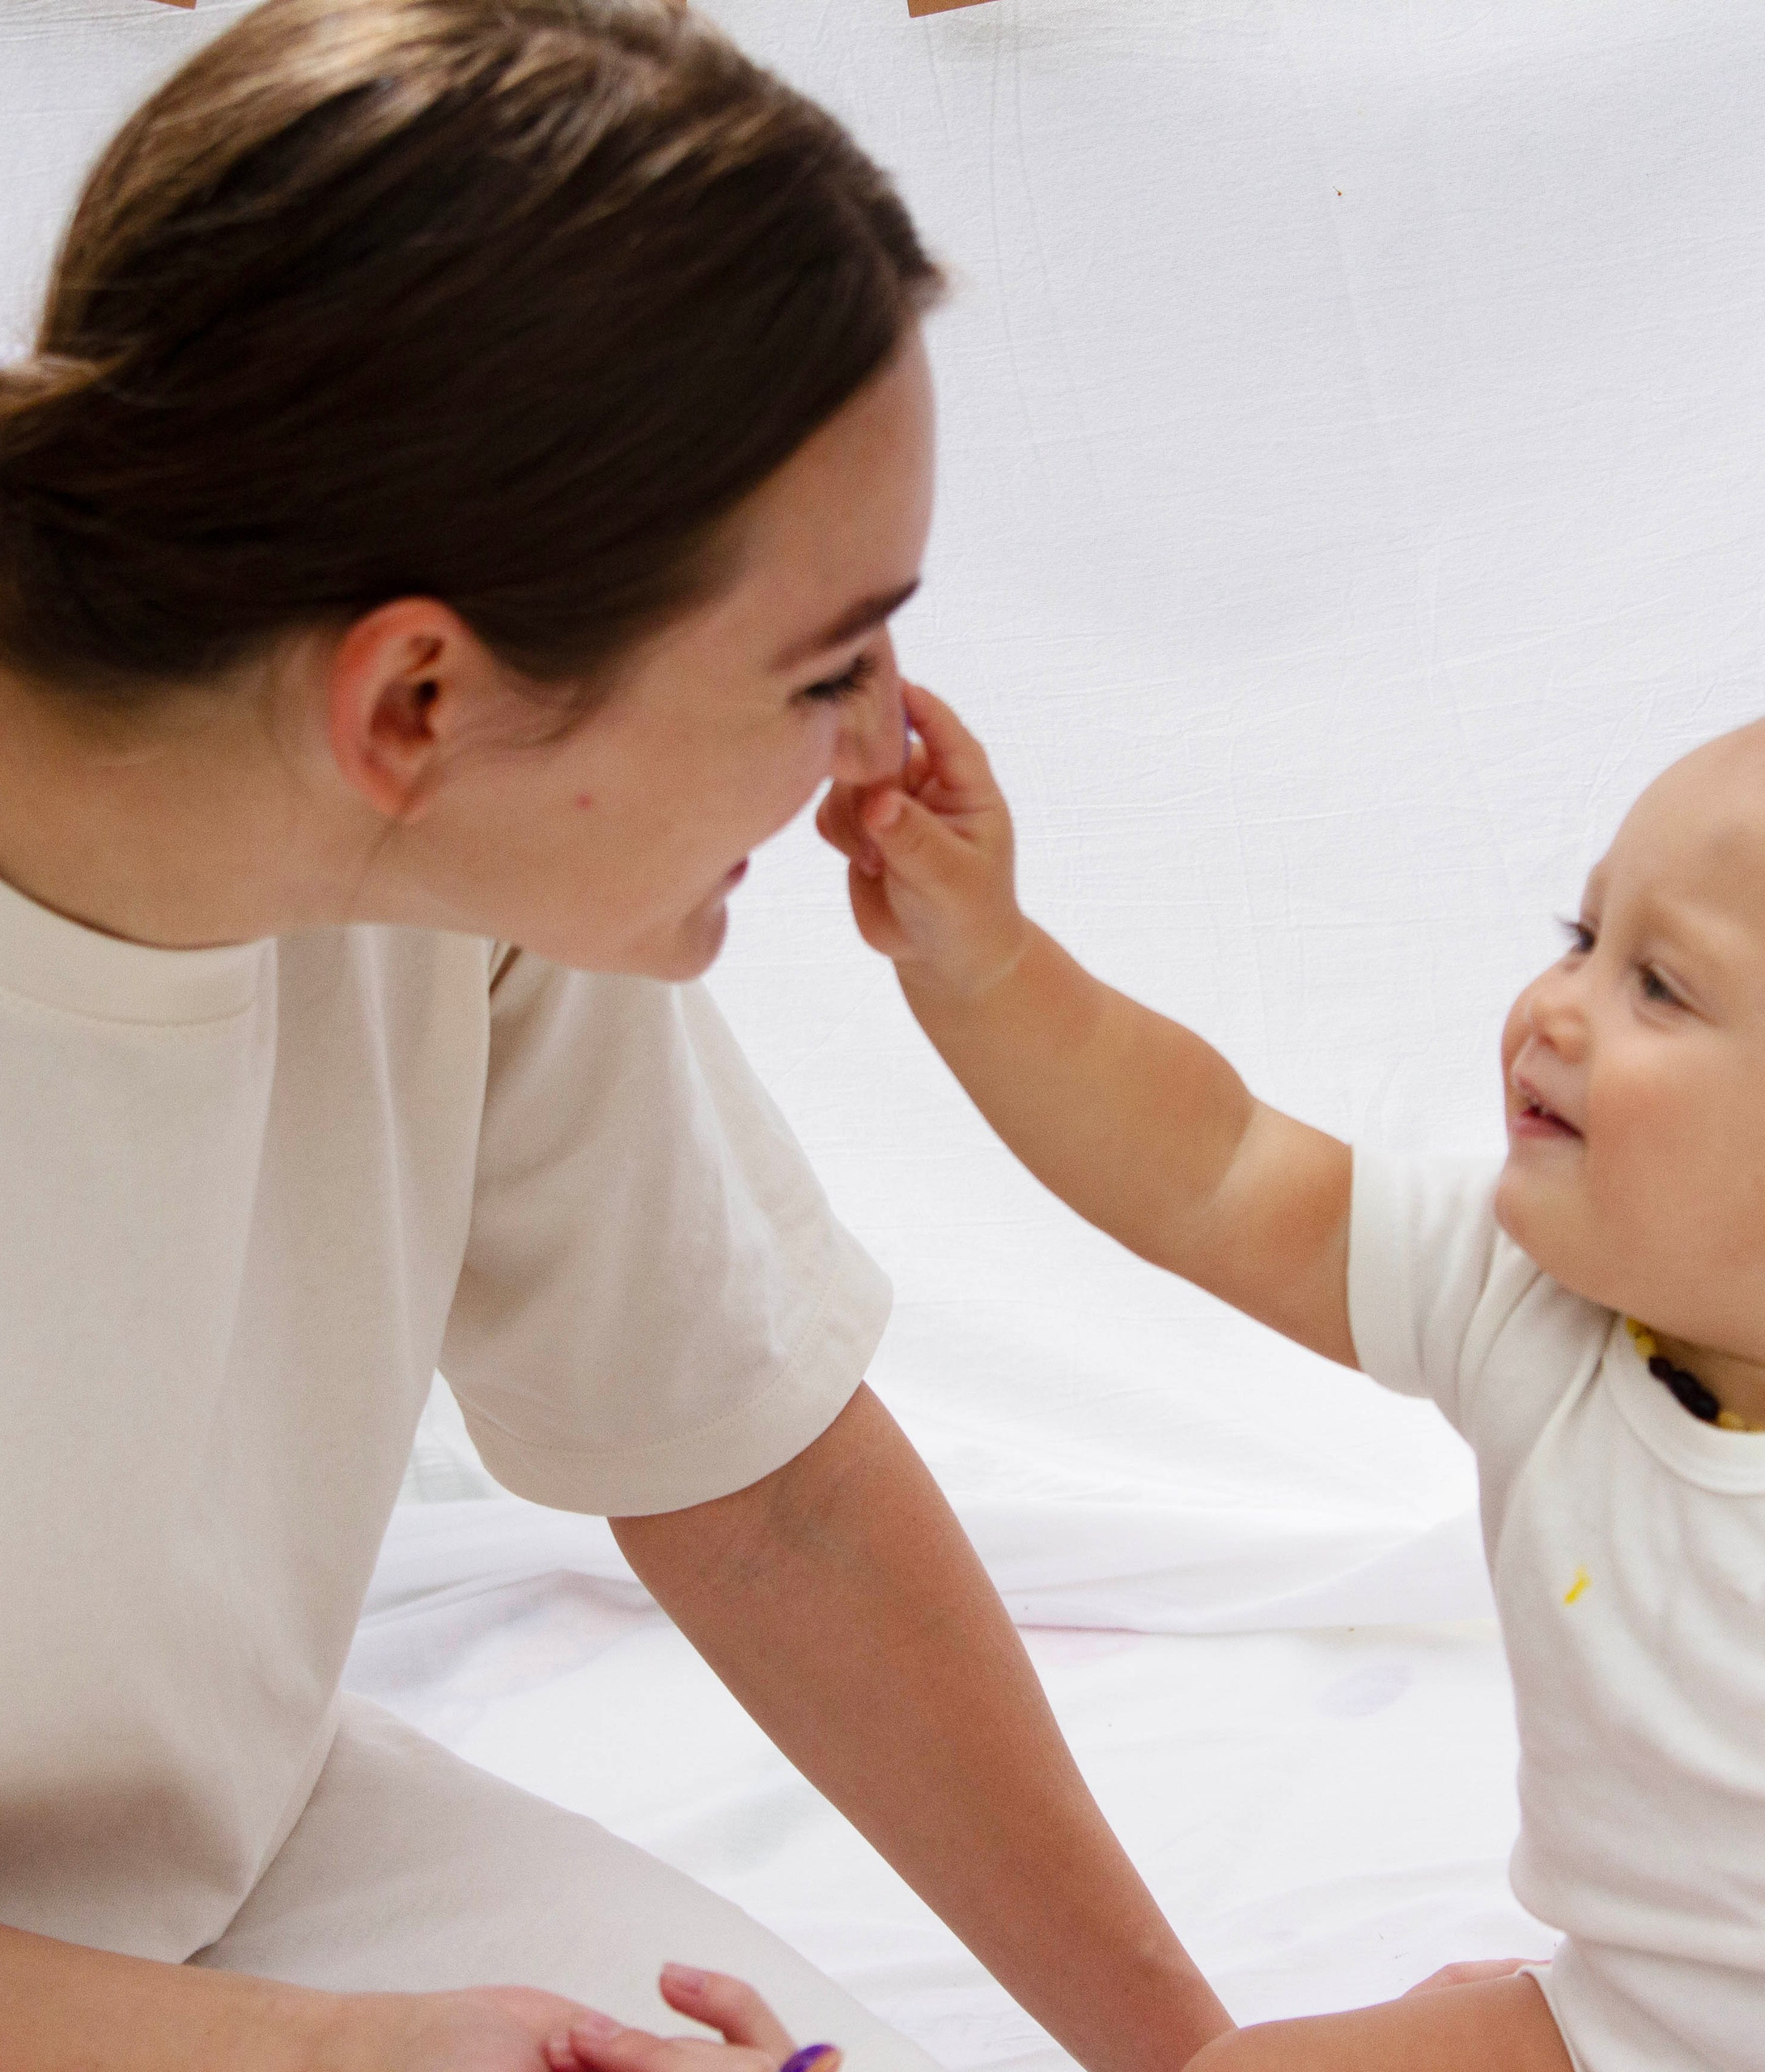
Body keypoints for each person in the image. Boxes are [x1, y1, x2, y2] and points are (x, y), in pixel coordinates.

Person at [0, 4, 1238, 2069]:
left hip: (231, 1867)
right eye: (826, 661)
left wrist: (1199, 2062)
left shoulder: (443, 855)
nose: (889, 749)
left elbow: (757, 1486)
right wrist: (334, 2055)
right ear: (414, 699)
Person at [818, 685, 1765, 2072]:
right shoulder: (1526, 1299)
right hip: (1614, 2030)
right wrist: (984, 964)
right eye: (1586, 938)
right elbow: (1215, 1170)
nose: (1555, 1007)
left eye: (1660, 984)